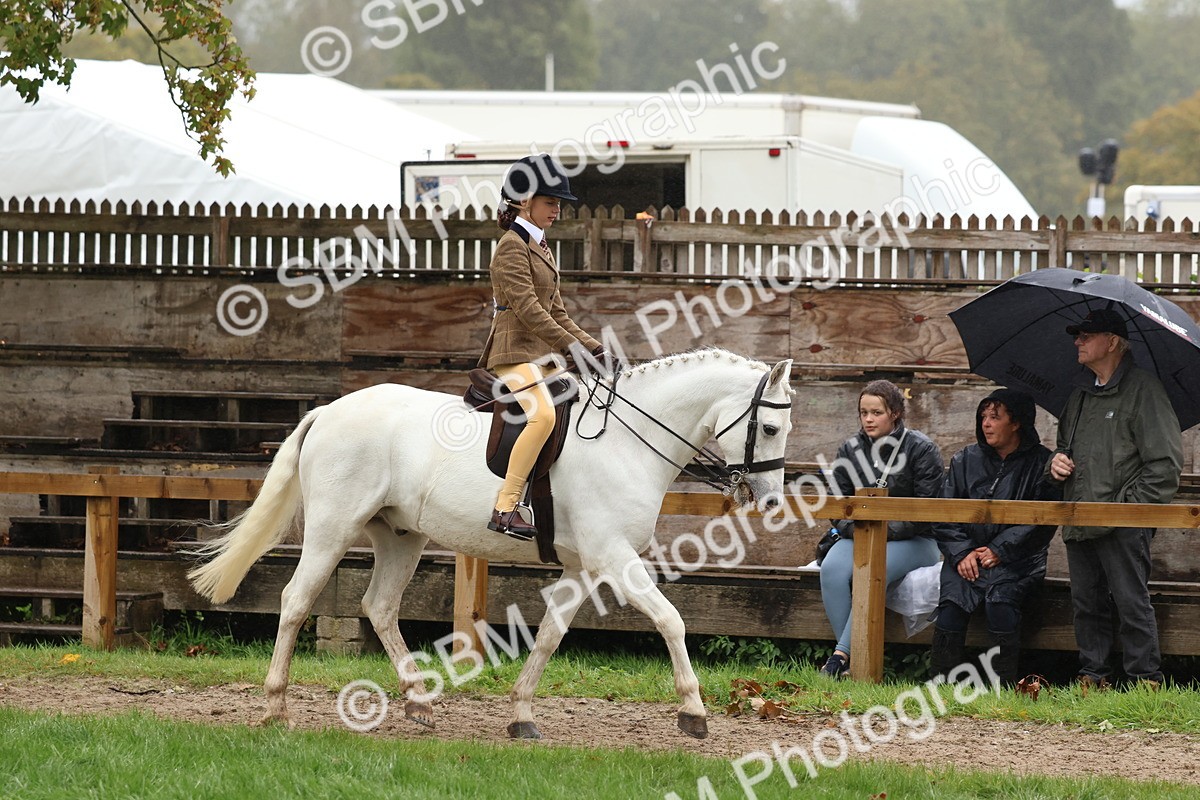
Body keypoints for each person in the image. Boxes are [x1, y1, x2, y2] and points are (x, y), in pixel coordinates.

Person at [478, 153, 618, 541]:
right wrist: (574, 348)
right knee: (542, 416)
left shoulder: (540, 245)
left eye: (559, 203)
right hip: (513, 353)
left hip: (542, 356)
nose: (557, 210)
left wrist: (596, 349)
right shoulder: (511, 245)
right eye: (551, 202)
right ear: (524, 201)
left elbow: (557, 312)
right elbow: (528, 310)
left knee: (588, 400)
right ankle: (506, 507)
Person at [1046, 308, 1183, 690]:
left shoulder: (1145, 391)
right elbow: (1064, 449)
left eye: (1086, 335)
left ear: (1111, 342)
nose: (1077, 341)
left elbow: (1165, 466)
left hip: (1124, 522)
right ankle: (1093, 678)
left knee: (1130, 602)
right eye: (1077, 335)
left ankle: (1145, 681)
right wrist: (1055, 464)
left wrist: (1126, 509)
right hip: (1079, 517)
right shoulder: (1079, 395)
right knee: (1085, 603)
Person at [930, 388, 1060, 686]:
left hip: (1020, 561)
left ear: (1016, 423)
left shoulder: (1042, 464)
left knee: (999, 603)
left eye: (995, 417)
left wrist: (1000, 550)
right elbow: (943, 513)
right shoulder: (964, 459)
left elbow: (1042, 520)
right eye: (983, 417)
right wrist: (961, 552)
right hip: (965, 559)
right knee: (951, 607)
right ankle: (940, 686)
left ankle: (1001, 688)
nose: (986, 423)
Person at [818, 379, 945, 678]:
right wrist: (857, 530)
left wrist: (882, 531)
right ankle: (852, 661)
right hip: (861, 535)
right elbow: (837, 503)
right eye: (863, 413)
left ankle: (840, 656)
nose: (868, 419)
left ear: (895, 413)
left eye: (876, 412)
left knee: (873, 568)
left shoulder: (921, 448)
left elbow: (926, 511)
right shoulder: (849, 449)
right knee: (831, 569)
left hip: (917, 541)